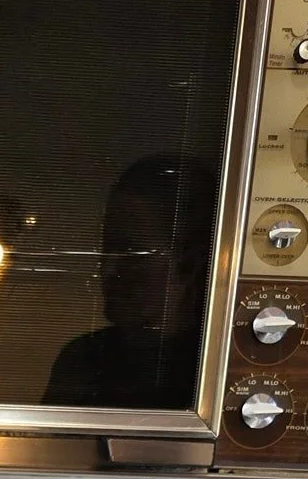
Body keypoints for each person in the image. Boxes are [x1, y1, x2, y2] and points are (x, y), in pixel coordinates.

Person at [43, 155, 218, 409]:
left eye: (132, 252)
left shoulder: (218, 367)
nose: (108, 268)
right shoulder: (83, 360)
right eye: (106, 249)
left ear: (190, 261)